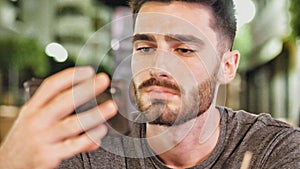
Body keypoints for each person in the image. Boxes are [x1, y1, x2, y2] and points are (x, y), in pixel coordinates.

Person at [0, 0, 299, 168]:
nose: (157, 67)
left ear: (227, 66)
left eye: (184, 50)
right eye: (145, 48)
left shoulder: (273, 151)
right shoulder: (89, 150)